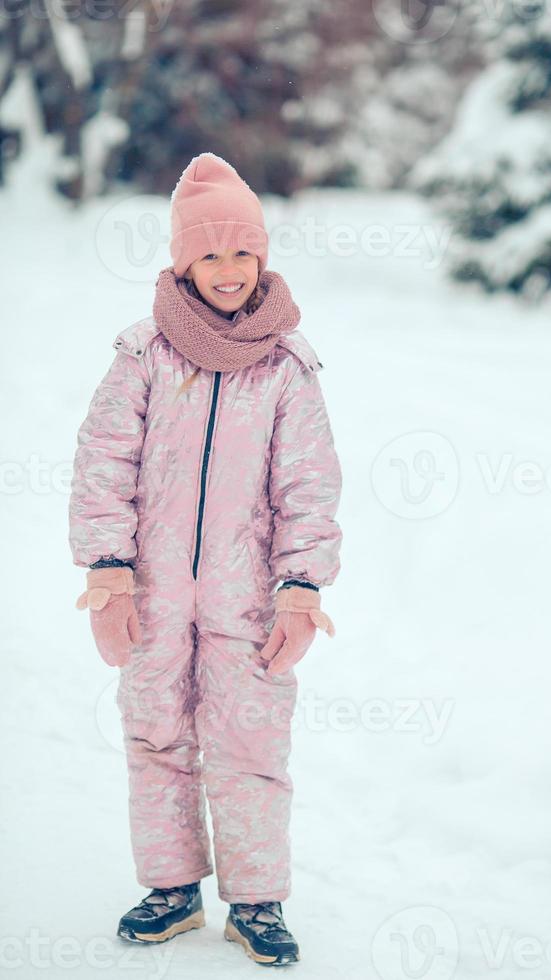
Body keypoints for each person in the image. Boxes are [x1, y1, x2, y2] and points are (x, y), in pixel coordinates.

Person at [69, 152, 343, 967]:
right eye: (211, 255)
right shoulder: (146, 353)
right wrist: (108, 569)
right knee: (155, 738)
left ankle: (256, 900)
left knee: (252, 745)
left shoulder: (287, 365)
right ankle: (172, 886)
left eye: (243, 253)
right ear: (183, 264)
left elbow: (310, 484)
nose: (229, 270)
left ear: (263, 258)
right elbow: (103, 462)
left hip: (250, 599)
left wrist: (300, 590)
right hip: (151, 595)